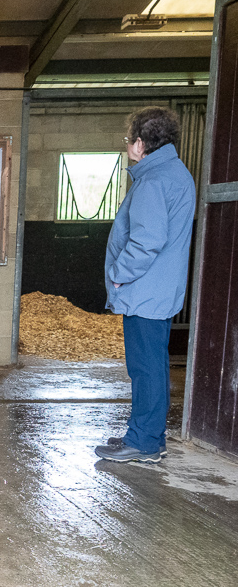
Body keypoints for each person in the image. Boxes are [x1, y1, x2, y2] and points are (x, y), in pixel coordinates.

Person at [94, 107, 196, 464]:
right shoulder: (175, 173)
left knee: (144, 368)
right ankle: (151, 436)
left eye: (128, 140)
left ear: (140, 143)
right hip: (160, 289)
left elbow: (146, 240)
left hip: (145, 290)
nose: (128, 147)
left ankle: (142, 442)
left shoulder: (153, 181)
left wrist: (118, 274)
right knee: (155, 365)